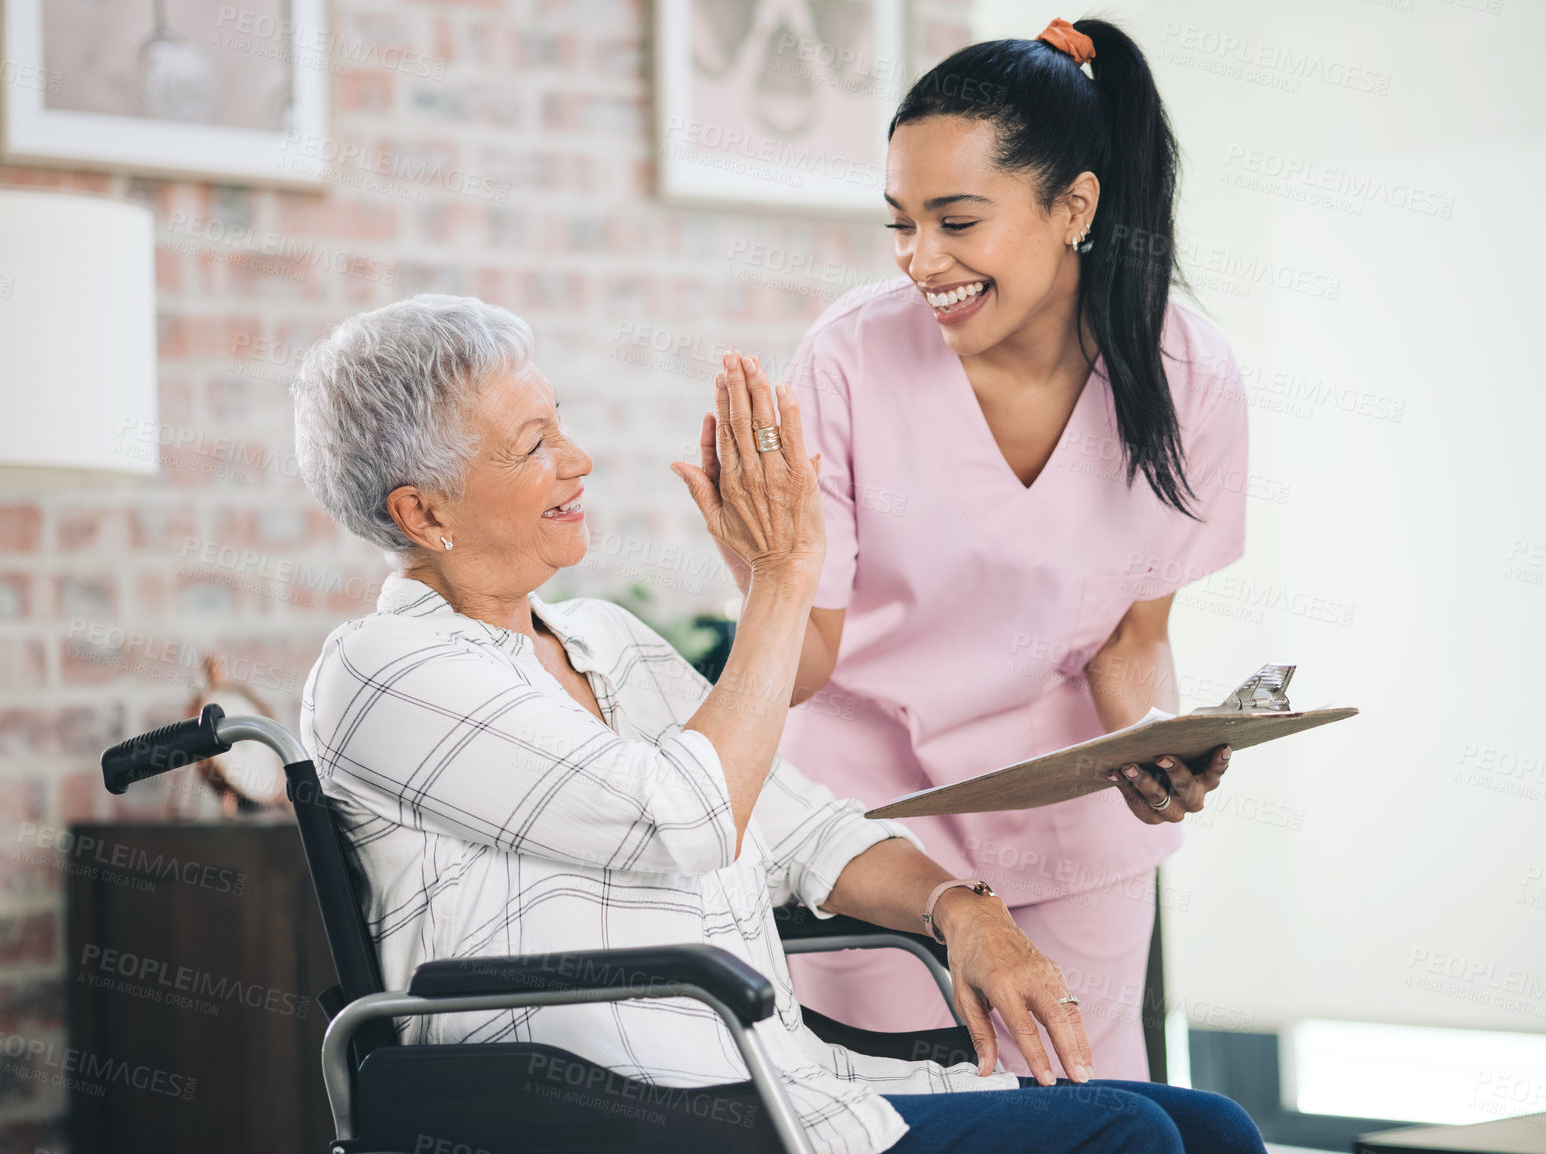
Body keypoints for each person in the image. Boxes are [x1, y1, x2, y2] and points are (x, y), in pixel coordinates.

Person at [290, 292, 1264, 1153]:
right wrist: (786, 576)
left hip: (772, 1078)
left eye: (562, 424)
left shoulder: (605, 639)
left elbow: (807, 828)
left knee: (1213, 1127)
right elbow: (679, 816)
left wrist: (964, 907)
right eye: (534, 443)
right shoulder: (387, 671)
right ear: (422, 512)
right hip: (614, 1106)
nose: (577, 459)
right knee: (1120, 1136)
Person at [744, 17, 1248, 1080]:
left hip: (1076, 833)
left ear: (1075, 206)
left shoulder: (1185, 370)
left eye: (956, 220)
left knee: (1103, 1119)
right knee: (924, 1118)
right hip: (881, 829)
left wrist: (1157, 744)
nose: (922, 261)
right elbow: (806, 664)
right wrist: (769, 572)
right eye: (901, 224)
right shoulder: (850, 356)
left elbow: (1129, 637)